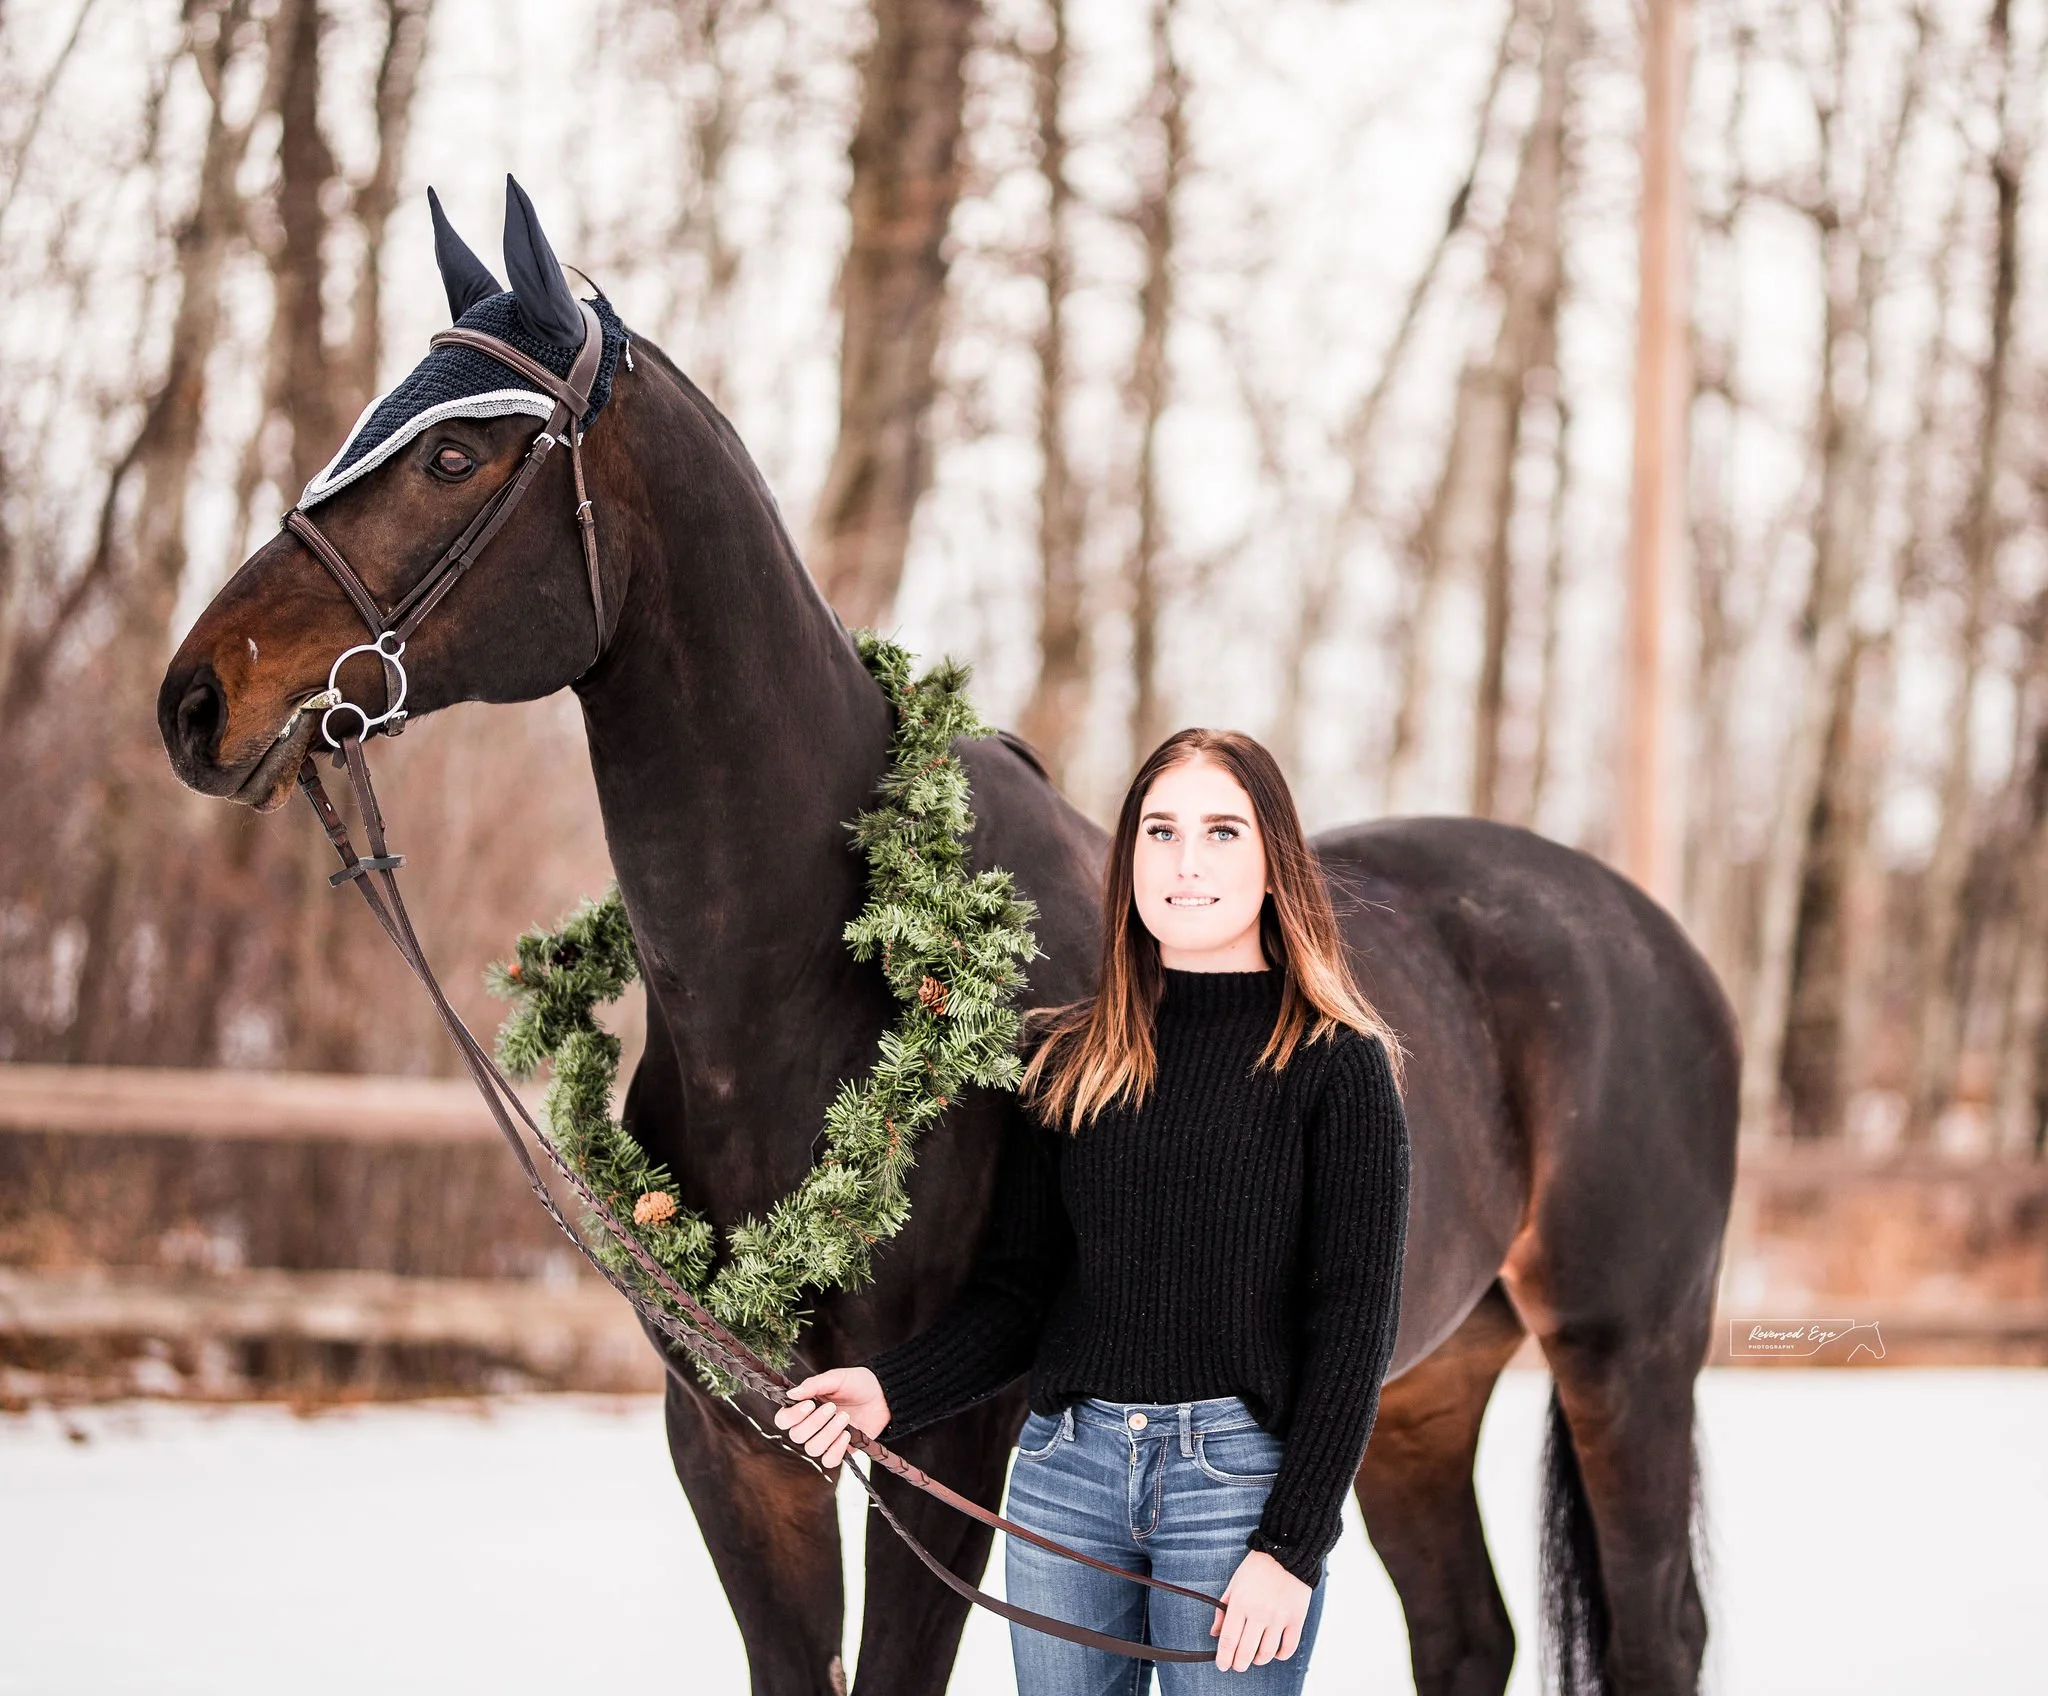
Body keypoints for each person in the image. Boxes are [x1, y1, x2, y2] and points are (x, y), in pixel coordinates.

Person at [774, 728, 1411, 1691]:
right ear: (1129, 862)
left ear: (1276, 861)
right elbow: (1020, 1295)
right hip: (1064, 1479)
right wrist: (890, 1391)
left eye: (1222, 832)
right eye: (1160, 831)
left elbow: (1353, 1328)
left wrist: (1291, 1546)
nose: (1187, 861)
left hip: (1233, 1492)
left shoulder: (1336, 1065)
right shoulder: (1072, 1060)